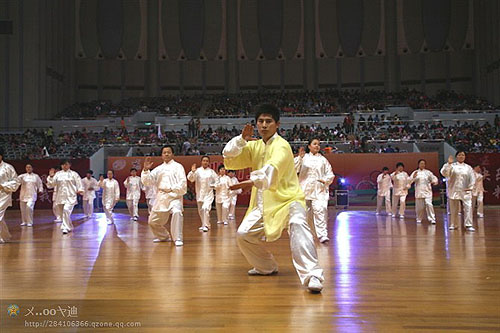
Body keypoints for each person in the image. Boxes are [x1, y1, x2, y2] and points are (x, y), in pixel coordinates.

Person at [223, 104, 324, 293]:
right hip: (264, 203)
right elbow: (229, 159)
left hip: (288, 199)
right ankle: (265, 266)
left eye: (268, 121)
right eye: (260, 121)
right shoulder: (255, 145)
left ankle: (313, 275)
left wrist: (248, 182)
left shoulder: (282, 146)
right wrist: (240, 140)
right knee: (243, 235)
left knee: (298, 223)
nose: (263, 125)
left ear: (277, 124)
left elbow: (271, 169)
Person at [141, 146, 187, 246]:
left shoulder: (178, 167)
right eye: (164, 152)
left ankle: (177, 238)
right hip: (161, 197)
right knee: (152, 221)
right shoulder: (158, 169)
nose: (166, 154)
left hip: (174, 196)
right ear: (161, 155)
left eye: (168, 152)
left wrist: (172, 189)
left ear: (172, 154)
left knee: (177, 212)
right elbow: (147, 181)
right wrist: (145, 170)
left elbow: (183, 183)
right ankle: (164, 236)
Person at [294, 139, 335, 243]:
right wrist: (299, 158)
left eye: (318, 144)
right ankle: (307, 235)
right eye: (315, 144)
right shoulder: (304, 158)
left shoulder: (323, 160)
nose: (317, 146)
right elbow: (294, 169)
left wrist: (325, 180)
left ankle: (322, 235)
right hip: (305, 188)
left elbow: (330, 173)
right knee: (305, 213)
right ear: (309, 146)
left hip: (319, 189)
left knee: (320, 210)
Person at [441, 152, 476, 231]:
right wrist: (448, 164)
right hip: (454, 189)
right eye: (459, 155)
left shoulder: (468, 167)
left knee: (468, 207)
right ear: (456, 157)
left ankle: (468, 225)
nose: (461, 156)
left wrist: (470, 187)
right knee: (454, 209)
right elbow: (444, 173)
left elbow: (472, 178)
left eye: (463, 155)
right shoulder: (452, 166)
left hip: (465, 190)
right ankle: (453, 224)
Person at [46, 160, 84, 234]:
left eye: (66, 164)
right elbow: (52, 184)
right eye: (63, 165)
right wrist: (51, 176)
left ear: (69, 165)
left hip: (71, 196)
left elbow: (79, 183)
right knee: (62, 213)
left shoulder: (74, 174)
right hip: (60, 196)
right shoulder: (58, 174)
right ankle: (69, 226)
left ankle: (65, 227)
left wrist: (80, 189)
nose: (64, 166)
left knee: (66, 210)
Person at [187, 156, 218, 232]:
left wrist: (213, 186)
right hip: (200, 194)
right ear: (201, 162)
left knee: (205, 208)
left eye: (207, 161)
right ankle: (204, 224)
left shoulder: (211, 172)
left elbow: (217, 181)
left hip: (208, 193)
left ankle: (206, 225)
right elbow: (191, 179)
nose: (205, 162)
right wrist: (192, 172)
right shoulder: (197, 171)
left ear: (208, 162)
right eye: (204, 161)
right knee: (201, 210)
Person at [0, 149, 21, 243]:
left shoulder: (8, 167)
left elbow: (16, 181)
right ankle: (5, 236)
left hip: (4, 194)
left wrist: (3, 186)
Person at [409, 159, 438, 224]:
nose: (422, 165)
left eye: (423, 163)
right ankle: (419, 218)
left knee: (429, 204)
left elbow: (434, 178)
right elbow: (410, 181)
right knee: (420, 207)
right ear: (418, 164)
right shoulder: (415, 172)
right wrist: (413, 177)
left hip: (428, 191)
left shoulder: (428, 172)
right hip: (419, 191)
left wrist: (435, 182)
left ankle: (432, 219)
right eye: (421, 163)